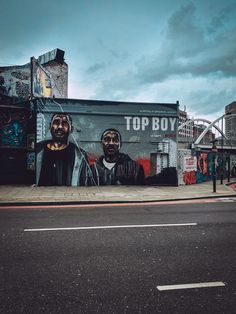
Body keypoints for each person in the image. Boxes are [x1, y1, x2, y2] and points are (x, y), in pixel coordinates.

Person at [37, 113, 91, 186]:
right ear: (50, 126)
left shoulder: (80, 155)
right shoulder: (38, 149)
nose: (60, 127)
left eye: (64, 123)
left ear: (71, 129)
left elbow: (85, 182)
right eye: (56, 122)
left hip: (68, 196)